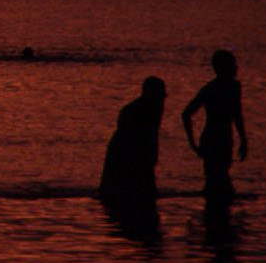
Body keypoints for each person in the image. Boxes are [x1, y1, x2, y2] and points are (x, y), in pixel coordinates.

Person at [182, 49, 248, 211]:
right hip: (215, 140)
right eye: (232, 65)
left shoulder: (227, 87)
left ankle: (213, 218)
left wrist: (243, 139)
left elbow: (236, 114)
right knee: (218, 179)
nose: (236, 68)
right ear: (222, 68)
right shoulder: (221, 88)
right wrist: (192, 143)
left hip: (220, 139)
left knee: (216, 179)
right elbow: (186, 114)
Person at [100, 76, 166, 204]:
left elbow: (151, 134)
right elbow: (142, 135)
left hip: (129, 147)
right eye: (161, 93)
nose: (164, 97)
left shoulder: (154, 106)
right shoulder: (140, 109)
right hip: (123, 149)